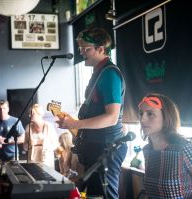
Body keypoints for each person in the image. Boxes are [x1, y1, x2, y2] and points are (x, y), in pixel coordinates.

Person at [56, 27, 127, 199]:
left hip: (106, 147)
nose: (81, 52)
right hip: (97, 146)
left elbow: (111, 118)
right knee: (95, 195)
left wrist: (75, 124)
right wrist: (73, 123)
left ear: (101, 49)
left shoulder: (109, 74)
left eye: (86, 49)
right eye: (80, 48)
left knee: (105, 196)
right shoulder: (99, 73)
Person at [138, 93, 192, 199]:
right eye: (141, 113)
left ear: (166, 117)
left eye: (150, 114)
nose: (142, 119)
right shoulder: (148, 150)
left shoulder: (185, 149)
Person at [0, 100, 25, 171]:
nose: (2, 111)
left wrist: (8, 141)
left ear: (8, 109)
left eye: (4, 108)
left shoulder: (16, 121)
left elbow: (22, 139)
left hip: (13, 157)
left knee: (13, 180)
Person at [23, 104, 59, 169]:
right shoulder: (28, 127)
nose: (29, 115)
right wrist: (30, 144)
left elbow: (56, 144)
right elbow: (25, 147)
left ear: (39, 114)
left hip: (46, 161)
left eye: (32, 114)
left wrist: (46, 146)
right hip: (32, 161)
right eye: (29, 114)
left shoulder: (49, 126)